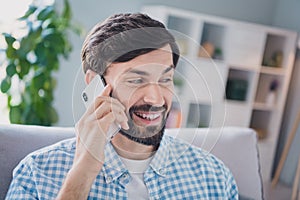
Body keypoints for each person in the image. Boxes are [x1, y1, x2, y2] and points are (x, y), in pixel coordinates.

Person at [6, 13, 238, 199]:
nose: (156, 99)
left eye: (165, 79)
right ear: (94, 83)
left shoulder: (215, 176)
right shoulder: (36, 174)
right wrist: (83, 174)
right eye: (136, 80)